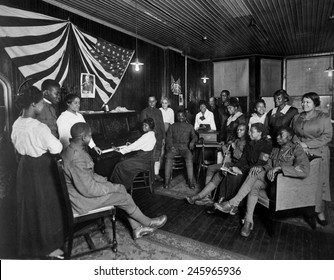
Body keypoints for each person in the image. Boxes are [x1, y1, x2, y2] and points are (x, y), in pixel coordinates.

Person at [61, 122, 167, 240]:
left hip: (79, 193)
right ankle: (148, 222)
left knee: (120, 189)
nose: (91, 138)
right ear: (84, 137)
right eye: (90, 135)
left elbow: (89, 175)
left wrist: (106, 182)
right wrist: (113, 187)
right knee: (123, 196)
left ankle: (137, 229)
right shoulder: (77, 157)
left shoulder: (71, 149)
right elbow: (89, 190)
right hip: (81, 201)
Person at [214, 127, 310, 237]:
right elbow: (269, 165)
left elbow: (304, 170)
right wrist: (261, 167)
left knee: (254, 175)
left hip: (284, 184)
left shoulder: (296, 149)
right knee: (254, 180)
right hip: (270, 181)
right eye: (277, 135)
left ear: (290, 137)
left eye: (281, 135)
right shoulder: (275, 149)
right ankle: (248, 221)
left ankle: (232, 203)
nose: (277, 137)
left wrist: (280, 169)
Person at [11, 85, 65, 259]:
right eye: (42, 102)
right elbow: (56, 147)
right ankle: (48, 247)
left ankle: (30, 245)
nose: (43, 105)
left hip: (23, 167)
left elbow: (15, 143)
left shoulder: (17, 123)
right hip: (40, 169)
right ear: (34, 104)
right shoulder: (38, 127)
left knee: (28, 207)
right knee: (45, 207)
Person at [291, 92, 333, 226]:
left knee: (318, 184)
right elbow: (294, 134)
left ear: (315, 103)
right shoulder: (297, 117)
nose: (304, 104)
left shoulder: (323, 117)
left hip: (319, 153)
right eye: (303, 102)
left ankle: (320, 212)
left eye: (308, 102)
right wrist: (299, 144)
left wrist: (307, 144)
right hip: (301, 153)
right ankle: (305, 210)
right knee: (303, 182)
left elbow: (327, 137)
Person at [186, 123, 248, 206]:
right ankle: (207, 196)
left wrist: (234, 148)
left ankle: (200, 196)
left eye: (241, 130)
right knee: (210, 168)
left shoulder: (247, 143)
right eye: (238, 130)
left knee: (219, 174)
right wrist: (224, 146)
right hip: (231, 162)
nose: (238, 132)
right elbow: (227, 153)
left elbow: (241, 158)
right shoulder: (237, 140)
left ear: (246, 131)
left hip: (237, 165)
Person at [215, 123, 273, 211]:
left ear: (259, 133)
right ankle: (223, 202)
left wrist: (241, 170)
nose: (249, 133)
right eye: (249, 131)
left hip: (255, 171)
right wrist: (235, 167)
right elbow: (243, 159)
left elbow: (260, 164)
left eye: (252, 132)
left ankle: (234, 206)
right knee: (228, 174)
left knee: (235, 177)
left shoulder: (266, 145)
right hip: (247, 168)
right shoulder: (249, 144)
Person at [110, 118, 157, 191]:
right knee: (123, 162)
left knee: (119, 166)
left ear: (151, 126)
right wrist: (131, 145)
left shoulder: (146, 136)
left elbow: (136, 145)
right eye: (143, 125)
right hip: (147, 161)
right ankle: (119, 186)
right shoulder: (152, 134)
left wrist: (120, 150)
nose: (143, 126)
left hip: (142, 162)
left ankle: (118, 188)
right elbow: (139, 144)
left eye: (146, 125)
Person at [164, 110, 198, 189]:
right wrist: (171, 146)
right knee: (168, 158)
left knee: (189, 159)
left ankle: (190, 181)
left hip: (185, 148)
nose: (180, 117)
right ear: (176, 117)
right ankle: (166, 181)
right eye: (179, 116)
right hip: (174, 148)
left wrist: (192, 142)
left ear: (185, 117)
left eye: (182, 115)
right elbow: (168, 138)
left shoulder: (190, 126)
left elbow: (195, 136)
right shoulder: (172, 126)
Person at [141, 96, 165, 182]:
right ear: (148, 102)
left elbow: (162, 125)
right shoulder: (144, 111)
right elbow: (144, 127)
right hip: (150, 138)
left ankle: (156, 174)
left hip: (159, 137)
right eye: (150, 101)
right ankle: (150, 175)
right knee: (150, 156)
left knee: (157, 156)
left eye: (153, 101)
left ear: (156, 102)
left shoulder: (159, 111)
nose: (151, 103)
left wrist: (163, 138)